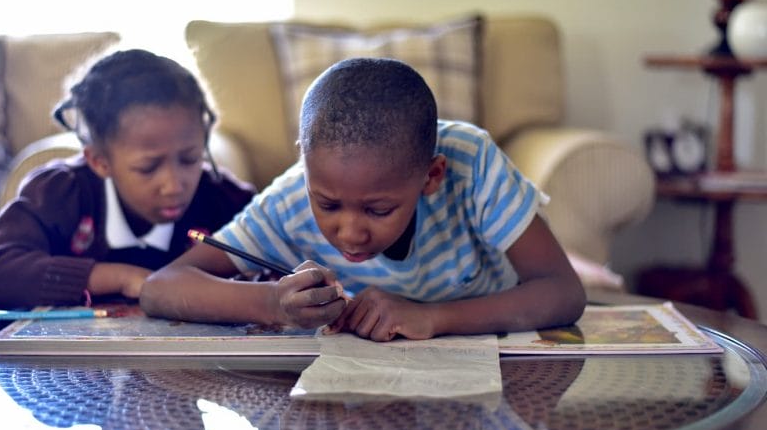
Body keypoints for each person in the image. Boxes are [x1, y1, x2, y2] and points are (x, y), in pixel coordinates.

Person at [140, 57, 586, 341]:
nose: (349, 232)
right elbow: (161, 289)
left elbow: (562, 292)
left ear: (432, 176)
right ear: (306, 163)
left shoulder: (472, 162)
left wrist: (433, 317)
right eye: (328, 205)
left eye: (378, 209)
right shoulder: (293, 198)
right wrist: (273, 303)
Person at [0, 49, 255, 309]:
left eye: (190, 159)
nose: (174, 185)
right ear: (99, 161)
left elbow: (278, 256)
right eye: (148, 167)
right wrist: (119, 277)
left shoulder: (223, 199)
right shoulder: (60, 193)